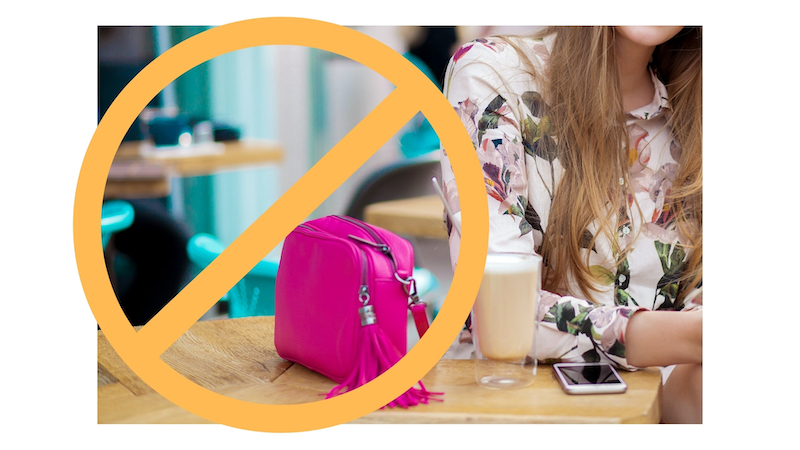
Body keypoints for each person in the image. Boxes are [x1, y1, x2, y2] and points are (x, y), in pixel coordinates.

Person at [438, 26, 702, 423]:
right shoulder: (492, 73)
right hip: (518, 399)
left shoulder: (703, 108)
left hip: (670, 400)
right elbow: (501, 310)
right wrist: (688, 337)